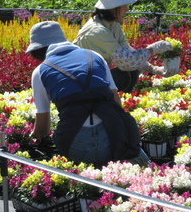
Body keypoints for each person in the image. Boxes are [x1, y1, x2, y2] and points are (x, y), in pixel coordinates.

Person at [26, 21, 150, 168]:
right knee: (132, 150)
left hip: (74, 143)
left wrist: (28, 140)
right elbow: (117, 103)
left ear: (37, 51)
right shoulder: (94, 56)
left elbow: (42, 129)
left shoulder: (40, 71)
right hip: (112, 136)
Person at [73, 0, 179, 92]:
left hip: (93, 76)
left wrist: (154, 69)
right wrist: (153, 49)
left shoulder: (113, 24)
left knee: (131, 72)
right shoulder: (97, 31)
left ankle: (118, 103)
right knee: (123, 75)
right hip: (80, 82)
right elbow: (127, 62)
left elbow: (127, 51)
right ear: (113, 8)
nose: (127, 9)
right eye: (124, 5)